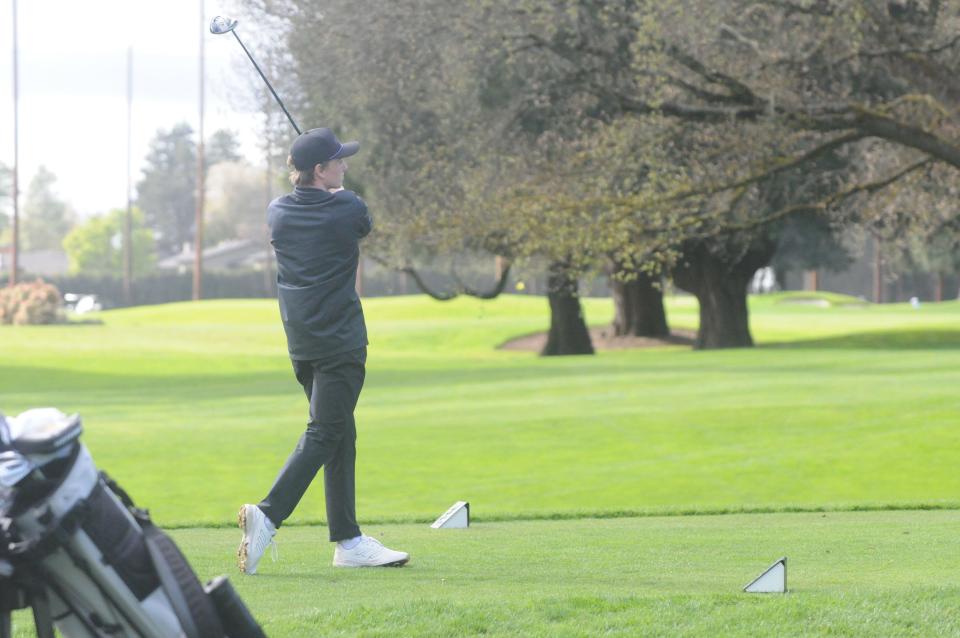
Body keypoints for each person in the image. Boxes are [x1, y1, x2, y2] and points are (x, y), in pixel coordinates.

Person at [237, 128, 409, 574]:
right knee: (325, 431)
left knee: (339, 432)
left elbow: (317, 208)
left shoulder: (277, 212)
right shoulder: (347, 206)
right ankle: (268, 514)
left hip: (303, 344)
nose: (344, 166)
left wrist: (332, 193)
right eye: (338, 161)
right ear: (320, 170)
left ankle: (348, 541)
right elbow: (363, 224)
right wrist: (342, 197)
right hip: (340, 343)